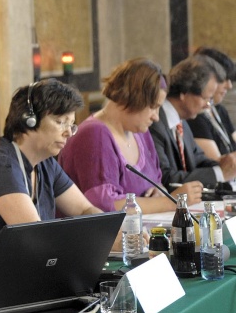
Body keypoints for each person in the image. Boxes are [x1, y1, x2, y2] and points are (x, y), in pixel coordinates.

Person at [0, 78, 103, 263]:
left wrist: (115, 234)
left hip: (25, 273)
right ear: (29, 120)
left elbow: (84, 209)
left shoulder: (46, 164)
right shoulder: (0, 166)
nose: (68, 132)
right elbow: (36, 237)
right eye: (60, 122)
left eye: (71, 125)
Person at [59, 58, 203, 213]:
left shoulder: (140, 132)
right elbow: (103, 205)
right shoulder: (94, 134)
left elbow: (156, 181)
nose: (156, 117)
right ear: (133, 98)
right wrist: (171, 202)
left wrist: (159, 191)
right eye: (153, 107)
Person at [148, 55, 236, 190]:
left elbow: (198, 160)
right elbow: (164, 178)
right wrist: (219, 173)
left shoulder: (182, 123)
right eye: (206, 98)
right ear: (185, 92)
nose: (208, 106)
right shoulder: (155, 122)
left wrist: (226, 163)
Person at [188, 47, 236, 159]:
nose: (229, 86)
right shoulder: (195, 116)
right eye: (222, 79)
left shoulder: (219, 109)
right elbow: (220, 165)